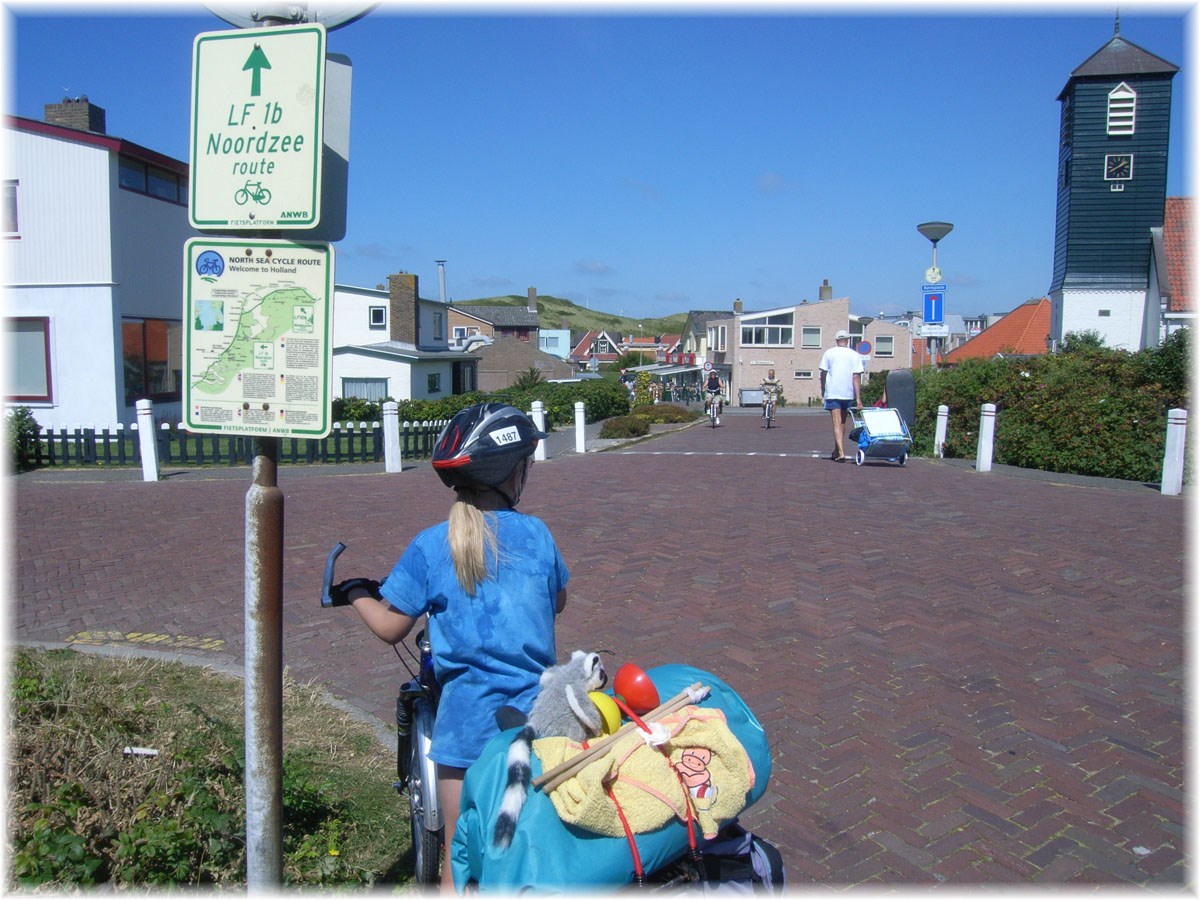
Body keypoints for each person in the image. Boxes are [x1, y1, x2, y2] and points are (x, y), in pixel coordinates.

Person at [328, 402, 569, 888]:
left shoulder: (432, 545)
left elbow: (391, 627)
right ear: (511, 474)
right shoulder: (539, 536)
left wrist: (354, 592)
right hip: (537, 721)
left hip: (467, 727)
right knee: (531, 844)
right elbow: (557, 601)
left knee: (459, 851)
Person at [818, 330, 864, 462]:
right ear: (848, 340)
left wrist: (823, 388)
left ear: (836, 340)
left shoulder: (829, 353)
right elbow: (856, 376)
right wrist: (858, 399)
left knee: (836, 422)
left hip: (833, 391)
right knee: (842, 422)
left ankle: (841, 452)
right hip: (848, 393)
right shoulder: (854, 355)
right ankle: (837, 450)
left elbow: (823, 373)